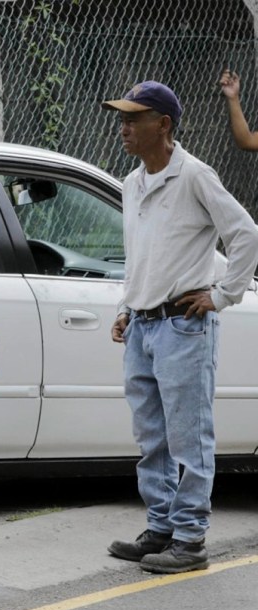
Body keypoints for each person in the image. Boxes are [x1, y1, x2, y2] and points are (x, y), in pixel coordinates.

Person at [103, 81, 258, 574]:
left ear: (163, 125)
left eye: (134, 119)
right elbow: (142, 255)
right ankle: (162, 526)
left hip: (183, 327)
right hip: (144, 327)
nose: (124, 127)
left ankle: (190, 539)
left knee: (188, 437)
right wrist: (127, 305)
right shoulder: (132, 183)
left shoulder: (194, 175)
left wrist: (221, 295)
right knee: (152, 437)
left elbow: (246, 235)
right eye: (122, 118)